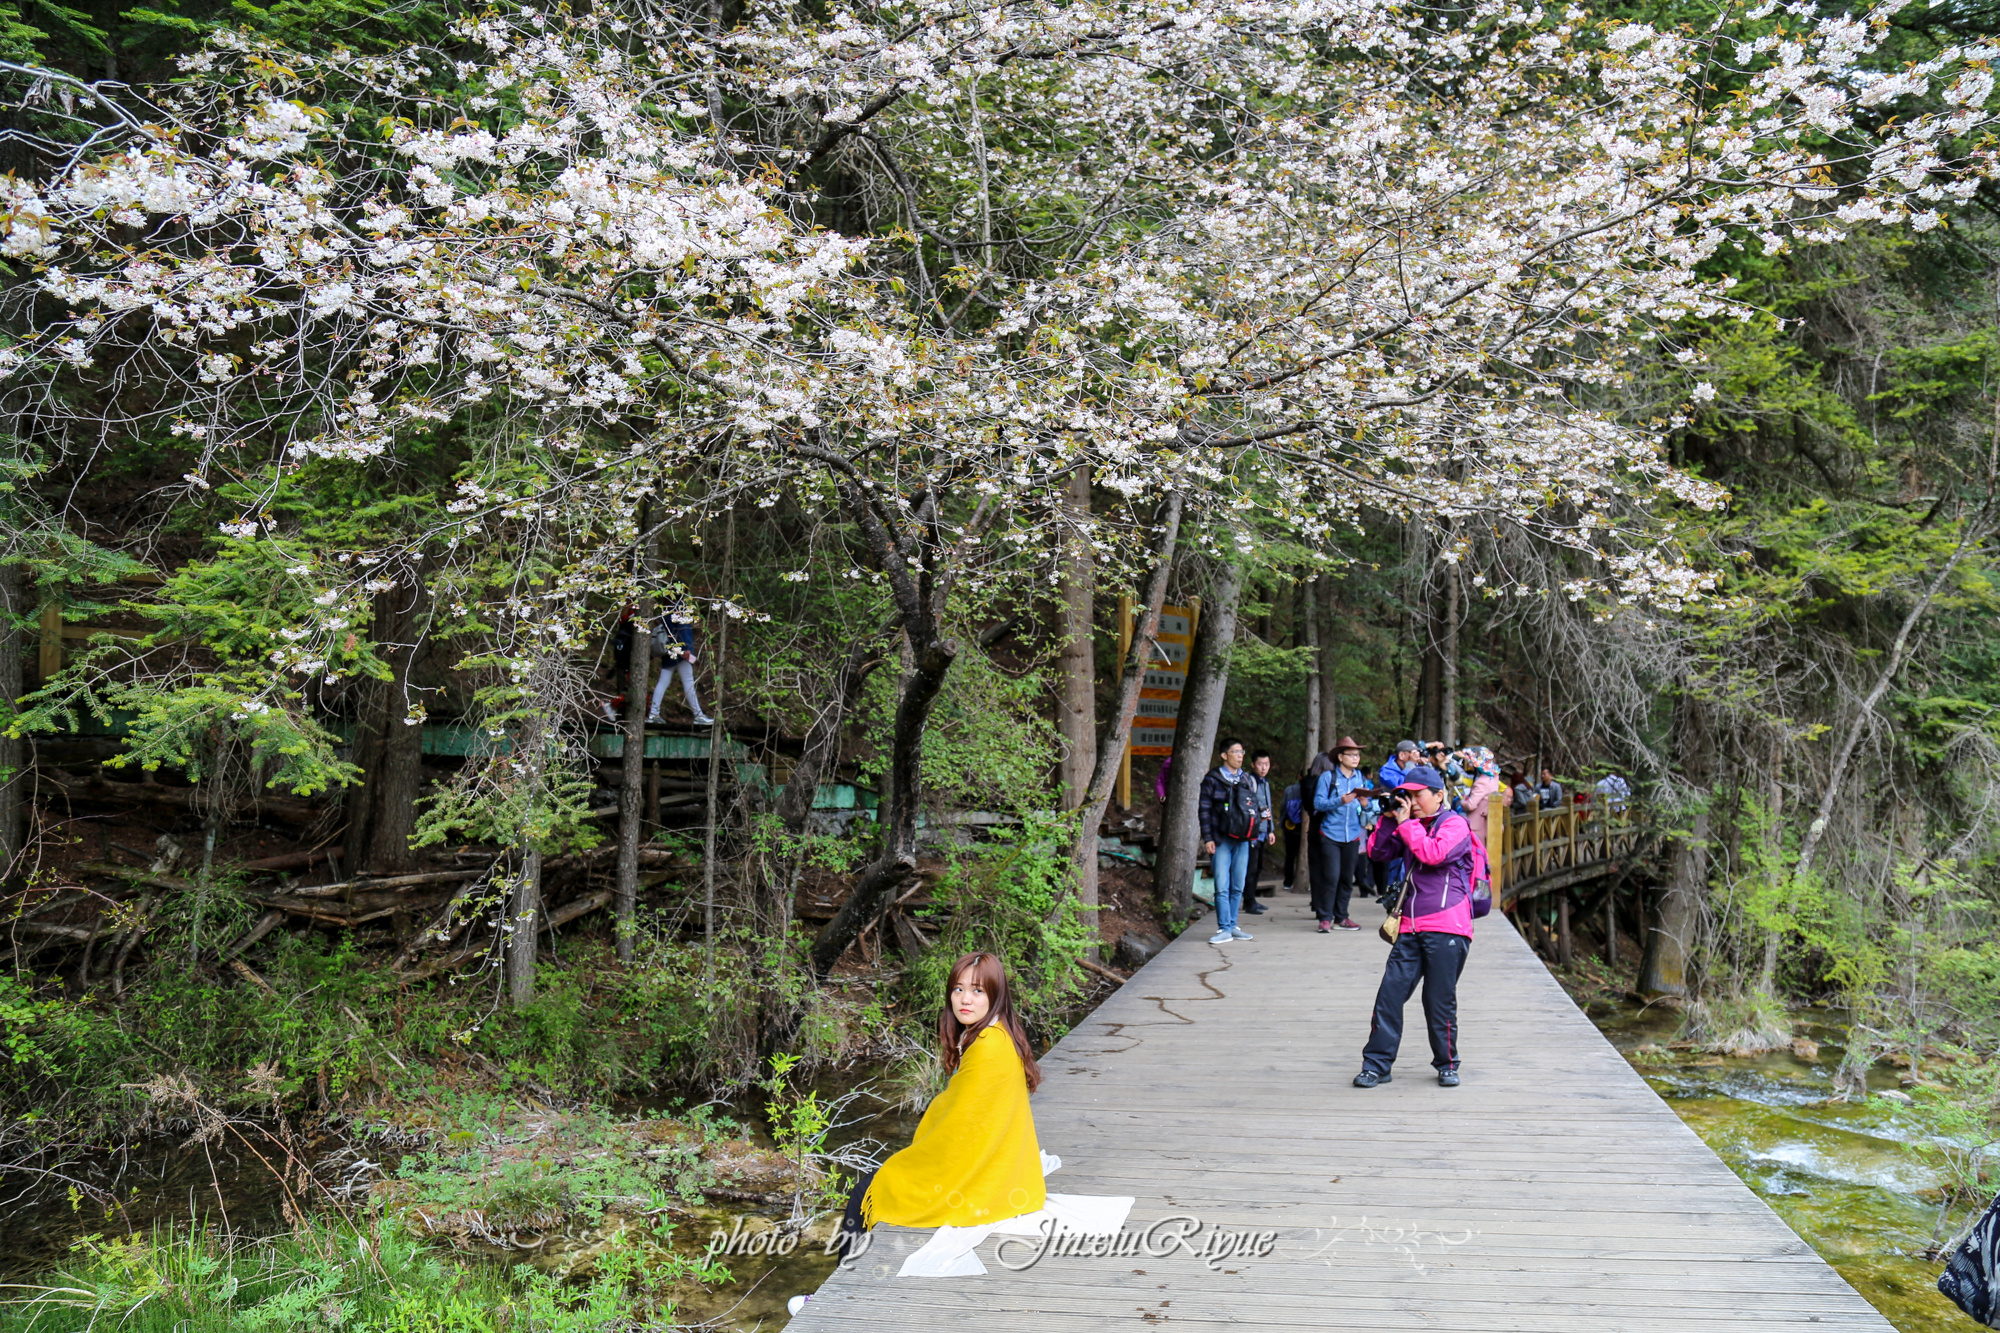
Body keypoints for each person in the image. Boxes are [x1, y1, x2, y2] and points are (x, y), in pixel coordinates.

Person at [837, 952, 1045, 1256]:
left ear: (996, 996)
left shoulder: (989, 1048)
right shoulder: (996, 1034)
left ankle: (841, 1291)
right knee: (876, 1185)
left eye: (977, 990)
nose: (965, 999)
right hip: (1004, 1175)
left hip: (986, 1183)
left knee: (868, 1190)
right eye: (958, 989)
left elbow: (960, 1126)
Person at [1354, 765, 1485, 1089]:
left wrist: (1407, 824)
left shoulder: (1454, 824)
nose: (1411, 800)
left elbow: (1433, 854)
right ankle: (1377, 1065)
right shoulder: (1411, 824)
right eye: (1407, 794)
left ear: (1438, 795)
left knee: (1438, 1000)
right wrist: (1388, 818)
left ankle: (1447, 1064)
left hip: (1448, 925)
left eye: (1417, 795)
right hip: (1410, 927)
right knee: (1389, 995)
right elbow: (1378, 852)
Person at [1199, 739, 1259, 945]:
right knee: (1222, 886)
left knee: (1238, 885)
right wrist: (1208, 838)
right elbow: (1204, 810)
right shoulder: (1213, 779)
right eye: (1235, 752)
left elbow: (1253, 809)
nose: (1240, 755)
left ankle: (1233, 925)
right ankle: (1224, 927)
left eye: (1242, 751)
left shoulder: (1247, 780)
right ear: (1224, 755)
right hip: (1220, 838)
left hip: (1242, 839)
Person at [1310, 736, 1369, 932]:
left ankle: (1341, 917)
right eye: (1351, 755)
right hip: (1330, 834)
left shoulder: (1360, 778)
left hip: (1352, 835)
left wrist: (1365, 805)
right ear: (1340, 757)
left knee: (1346, 878)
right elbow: (1317, 804)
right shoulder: (1328, 777)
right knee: (1331, 876)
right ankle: (1325, 918)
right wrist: (1339, 801)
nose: (1355, 758)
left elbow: (1365, 807)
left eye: (1357, 755)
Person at [648, 601, 715, 725]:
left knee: (663, 682)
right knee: (688, 682)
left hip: (668, 650)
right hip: (681, 652)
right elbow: (684, 629)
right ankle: (698, 715)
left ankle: (654, 713)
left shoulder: (665, 609)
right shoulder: (680, 609)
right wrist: (686, 649)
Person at [1241, 751, 1278, 915]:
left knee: (1258, 867)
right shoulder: (1249, 782)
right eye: (1260, 764)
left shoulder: (1265, 783)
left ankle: (1252, 899)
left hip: (1263, 831)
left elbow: (1268, 806)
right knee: (1251, 867)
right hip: (1252, 831)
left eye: (1267, 764)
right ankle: (1248, 902)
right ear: (1253, 765)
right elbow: (1246, 806)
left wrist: (1271, 829)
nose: (1264, 768)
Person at [1462, 747, 1501, 847]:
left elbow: (1471, 805)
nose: (1470, 765)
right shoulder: (1493, 778)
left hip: (1477, 825)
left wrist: (1463, 801)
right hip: (1487, 822)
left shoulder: (1481, 782)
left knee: (1476, 854)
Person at [1280, 778, 1305, 893]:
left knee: (1290, 855)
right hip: (1303, 826)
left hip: (1289, 825)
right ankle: (1304, 880)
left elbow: (1283, 807)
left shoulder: (1290, 790)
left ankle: (1288, 881)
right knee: (1303, 854)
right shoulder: (1311, 790)